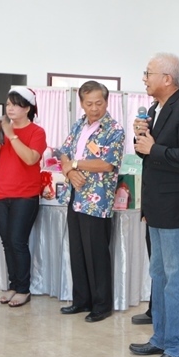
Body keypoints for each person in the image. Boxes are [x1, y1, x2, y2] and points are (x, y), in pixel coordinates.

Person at [128, 53, 179, 357]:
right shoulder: (155, 109)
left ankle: (178, 346)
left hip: (176, 209)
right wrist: (141, 139)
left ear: (167, 79)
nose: (144, 78)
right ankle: (161, 337)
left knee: (176, 280)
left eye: (148, 73)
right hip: (157, 207)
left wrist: (153, 148)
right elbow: (149, 156)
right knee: (159, 276)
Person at [58, 81, 125, 322]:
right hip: (74, 195)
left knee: (96, 253)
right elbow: (63, 152)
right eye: (89, 104)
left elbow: (107, 164)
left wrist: (74, 164)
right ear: (81, 103)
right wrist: (69, 170)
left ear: (107, 101)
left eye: (99, 103)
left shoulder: (114, 130)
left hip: (96, 201)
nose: (94, 108)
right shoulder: (78, 124)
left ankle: (101, 305)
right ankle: (81, 300)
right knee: (77, 251)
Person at [0, 87, 47, 308]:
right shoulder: (1, 130)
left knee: (18, 242)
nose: (10, 108)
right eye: (8, 104)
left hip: (25, 195)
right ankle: (13, 285)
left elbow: (30, 159)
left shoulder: (37, 132)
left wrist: (12, 136)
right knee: (7, 242)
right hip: (0, 193)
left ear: (27, 108)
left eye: (15, 104)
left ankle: (23, 289)